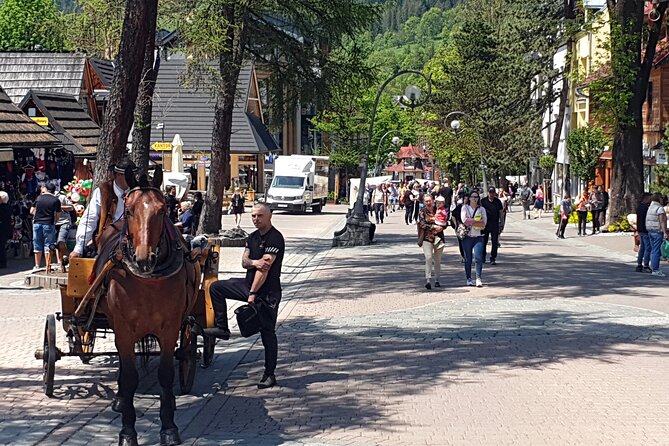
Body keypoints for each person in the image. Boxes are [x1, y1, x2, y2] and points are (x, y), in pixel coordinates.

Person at [206, 203, 285, 389]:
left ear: (269, 216)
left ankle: (269, 374)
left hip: (267, 292)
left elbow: (263, 271)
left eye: (260, 216)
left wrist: (252, 293)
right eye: (253, 216)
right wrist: (254, 262)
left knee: (268, 333)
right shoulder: (252, 237)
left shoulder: (275, 238)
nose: (256, 219)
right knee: (216, 287)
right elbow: (244, 262)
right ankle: (222, 327)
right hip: (247, 285)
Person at [71, 158, 137, 258]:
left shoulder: (138, 193)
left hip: (134, 241)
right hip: (107, 241)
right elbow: (90, 219)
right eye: (129, 176)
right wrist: (79, 248)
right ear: (118, 175)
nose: (133, 179)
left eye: (134, 175)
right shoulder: (103, 191)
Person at [30, 182, 61, 272]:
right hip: (48, 223)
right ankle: (48, 264)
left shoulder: (39, 198)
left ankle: (37, 265)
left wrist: (38, 214)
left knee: (37, 243)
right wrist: (55, 221)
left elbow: (31, 211)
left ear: (46, 189)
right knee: (49, 244)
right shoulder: (55, 200)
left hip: (37, 223)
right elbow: (58, 214)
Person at [417, 194, 445, 290]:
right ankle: (428, 280)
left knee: (437, 260)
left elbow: (445, 220)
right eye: (426, 201)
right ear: (424, 202)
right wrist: (433, 227)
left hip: (438, 238)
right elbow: (422, 223)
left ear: (433, 200)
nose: (428, 203)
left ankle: (437, 279)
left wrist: (442, 227)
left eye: (430, 200)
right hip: (427, 238)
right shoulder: (422, 211)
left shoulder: (439, 209)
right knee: (428, 257)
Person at [461, 191, 487, 287]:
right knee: (468, 258)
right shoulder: (465, 208)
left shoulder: (482, 209)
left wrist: (471, 221)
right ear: (469, 198)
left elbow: (484, 223)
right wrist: (477, 221)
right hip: (467, 237)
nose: (474, 199)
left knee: (478, 258)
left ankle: (478, 278)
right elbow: (464, 220)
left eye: (476, 197)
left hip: (478, 237)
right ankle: (468, 278)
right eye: (473, 197)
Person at [645, 192, 669, 277]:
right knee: (656, 251)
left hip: (650, 230)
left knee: (652, 250)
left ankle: (653, 267)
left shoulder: (650, 207)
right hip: (657, 231)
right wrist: (665, 232)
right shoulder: (659, 208)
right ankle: (655, 269)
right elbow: (662, 221)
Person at [481, 187, 504, 265]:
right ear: (488, 193)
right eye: (490, 192)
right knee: (484, 241)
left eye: (493, 193)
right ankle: (483, 256)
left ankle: (493, 257)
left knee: (494, 242)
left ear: (494, 193)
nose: (491, 194)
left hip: (495, 224)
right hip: (485, 224)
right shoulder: (483, 201)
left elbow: (501, 212)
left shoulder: (498, 202)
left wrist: (502, 223)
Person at [54, 189, 74, 272]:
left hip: (64, 222)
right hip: (53, 223)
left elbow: (71, 207)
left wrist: (59, 206)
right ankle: (60, 262)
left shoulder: (62, 197)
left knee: (61, 241)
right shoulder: (46, 198)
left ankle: (64, 257)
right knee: (55, 244)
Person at [634, 193, 652, 273]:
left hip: (640, 229)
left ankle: (639, 264)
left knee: (642, 248)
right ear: (646, 198)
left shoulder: (639, 207)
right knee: (647, 248)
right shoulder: (645, 208)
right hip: (645, 229)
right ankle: (646, 265)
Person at [451, 193, 468, 263]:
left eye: (467, 199)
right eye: (465, 199)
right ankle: (463, 256)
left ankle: (468, 255)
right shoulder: (459, 207)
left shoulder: (471, 207)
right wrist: (455, 225)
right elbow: (453, 215)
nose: (466, 200)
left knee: (468, 243)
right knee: (461, 242)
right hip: (461, 226)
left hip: (469, 227)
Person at [0, 191, 11, 268]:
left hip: (2, 229)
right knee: (2, 246)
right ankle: (3, 262)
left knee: (1, 247)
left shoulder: (2, 208)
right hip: (5, 229)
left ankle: (2, 263)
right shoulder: (8, 207)